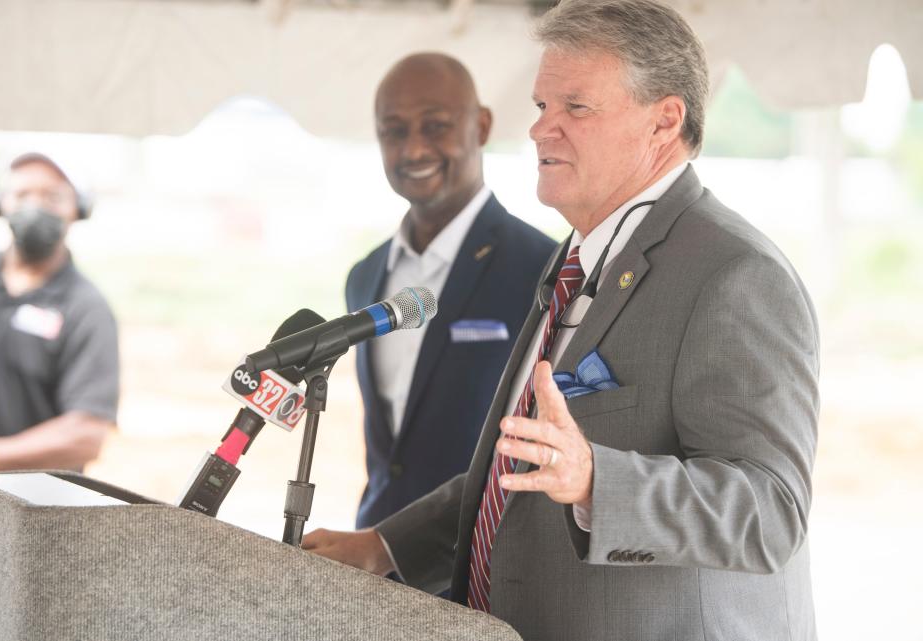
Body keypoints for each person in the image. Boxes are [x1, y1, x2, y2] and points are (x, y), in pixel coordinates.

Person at [305, 1, 820, 640]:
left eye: (575, 108)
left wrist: (599, 480)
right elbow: (525, 466)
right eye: (542, 107)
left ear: (664, 120)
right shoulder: (575, 257)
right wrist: (384, 546)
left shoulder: (735, 274)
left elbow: (770, 513)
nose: (541, 130)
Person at [345, 53, 556, 529]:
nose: (414, 150)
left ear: (481, 126)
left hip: (482, 561)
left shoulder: (543, 269)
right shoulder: (364, 275)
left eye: (435, 126)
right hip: (373, 555)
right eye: (394, 131)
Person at [0, 152, 119, 473]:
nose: (35, 207)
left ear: (79, 208)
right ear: (0, 204)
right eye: (21, 194)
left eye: (52, 196)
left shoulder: (85, 307)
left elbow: (86, 434)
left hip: (31, 509)